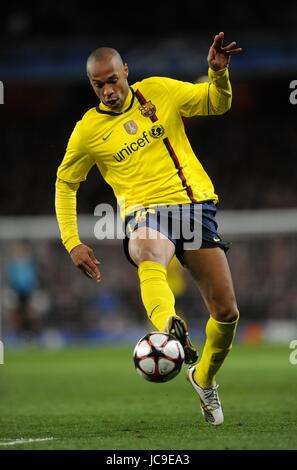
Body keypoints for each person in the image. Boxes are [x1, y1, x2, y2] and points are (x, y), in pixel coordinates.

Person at [55, 32, 242, 426]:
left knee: (226, 313)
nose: (107, 90)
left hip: (194, 207)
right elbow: (65, 184)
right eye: (98, 85)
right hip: (145, 212)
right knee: (148, 250)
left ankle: (203, 377)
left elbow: (216, 103)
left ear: (126, 72)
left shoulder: (158, 90)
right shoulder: (87, 132)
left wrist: (217, 74)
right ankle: (167, 328)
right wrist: (72, 241)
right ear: (91, 85)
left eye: (112, 80)